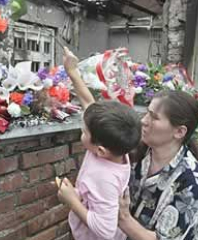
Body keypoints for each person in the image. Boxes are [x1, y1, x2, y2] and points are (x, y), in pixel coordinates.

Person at [57, 47, 142, 240]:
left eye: (85, 131)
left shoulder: (104, 177)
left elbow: (105, 230)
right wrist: (72, 71)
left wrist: (72, 201)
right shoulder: (116, 148)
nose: (82, 130)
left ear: (100, 150)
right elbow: (88, 104)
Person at [118, 90, 198, 240]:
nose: (144, 121)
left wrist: (123, 218)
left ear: (179, 132)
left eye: (154, 117)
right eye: (147, 113)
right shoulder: (140, 152)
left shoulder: (191, 183)